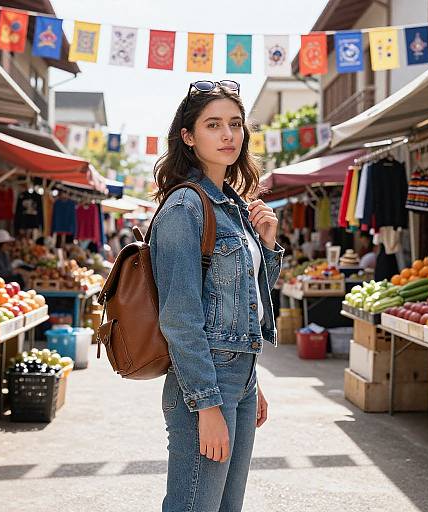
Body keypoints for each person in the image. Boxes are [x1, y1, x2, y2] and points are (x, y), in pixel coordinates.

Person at [149, 80, 284, 512]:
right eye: (213, 124)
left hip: (240, 377)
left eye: (235, 124)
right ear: (188, 137)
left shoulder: (236, 207)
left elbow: (243, 301)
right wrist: (207, 403)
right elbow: (180, 317)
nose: (228, 135)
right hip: (203, 382)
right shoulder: (183, 209)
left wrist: (265, 245)